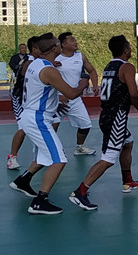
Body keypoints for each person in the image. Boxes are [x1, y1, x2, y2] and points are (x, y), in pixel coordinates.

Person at [9, 33, 89, 215]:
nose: (60, 45)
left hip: (32, 115)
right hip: (38, 119)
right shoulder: (49, 70)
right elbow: (71, 94)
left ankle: (23, 181)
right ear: (54, 48)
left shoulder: (35, 64)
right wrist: (83, 84)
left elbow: (40, 90)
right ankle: (39, 201)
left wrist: (54, 104)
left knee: (45, 155)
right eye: (58, 43)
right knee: (59, 160)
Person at [69, 35, 138, 211]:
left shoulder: (109, 66)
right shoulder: (127, 67)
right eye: (129, 46)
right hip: (116, 119)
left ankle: (127, 180)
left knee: (128, 142)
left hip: (106, 115)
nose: (130, 48)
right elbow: (133, 93)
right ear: (125, 50)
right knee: (108, 159)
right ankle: (80, 192)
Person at [55, 32, 101, 155]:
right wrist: (57, 96)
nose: (76, 42)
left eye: (75, 39)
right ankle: (49, 150)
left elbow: (92, 71)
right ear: (63, 44)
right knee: (53, 125)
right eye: (72, 40)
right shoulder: (56, 59)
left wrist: (95, 85)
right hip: (58, 99)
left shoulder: (80, 57)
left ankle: (80, 147)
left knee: (85, 125)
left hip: (75, 98)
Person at [7, 36, 41, 170]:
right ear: (35, 49)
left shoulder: (40, 61)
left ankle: (39, 156)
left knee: (40, 126)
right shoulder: (27, 62)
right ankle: (12, 157)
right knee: (23, 128)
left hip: (33, 100)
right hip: (20, 99)